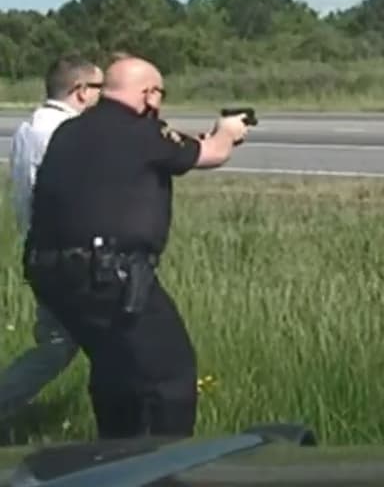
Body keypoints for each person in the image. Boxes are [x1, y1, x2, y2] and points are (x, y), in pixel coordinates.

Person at [21, 56, 252, 439]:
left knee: (115, 369)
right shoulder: (142, 132)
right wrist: (227, 131)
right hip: (109, 274)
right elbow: (210, 154)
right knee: (171, 374)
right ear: (148, 95)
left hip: (53, 275)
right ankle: (166, 470)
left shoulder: (69, 131)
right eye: (158, 94)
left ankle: (114, 461)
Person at [0, 54, 104, 420]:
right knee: (69, 346)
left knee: (61, 345)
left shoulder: (30, 128)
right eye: (99, 88)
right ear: (80, 91)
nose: (102, 97)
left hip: (41, 252)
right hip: (66, 257)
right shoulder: (64, 133)